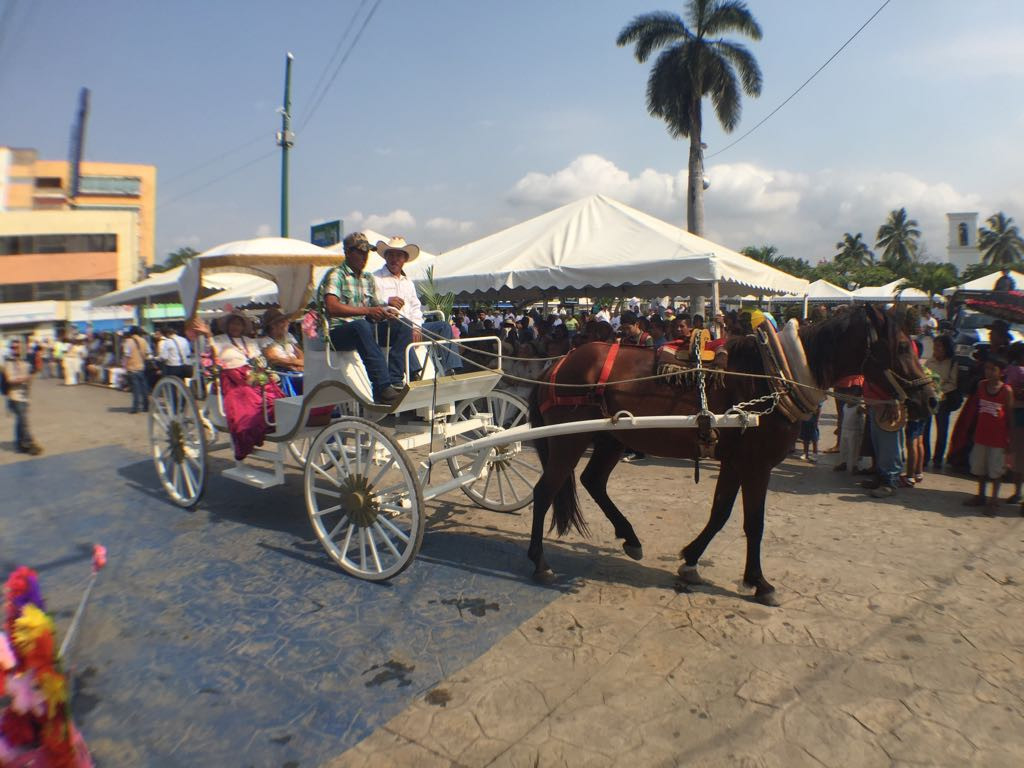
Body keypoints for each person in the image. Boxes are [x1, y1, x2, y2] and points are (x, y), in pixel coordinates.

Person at [317, 232, 403, 405]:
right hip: (336, 333)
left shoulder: (368, 278)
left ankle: (397, 380)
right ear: (348, 252)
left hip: (363, 330)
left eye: (367, 252)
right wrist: (368, 311)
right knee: (361, 325)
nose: (365, 256)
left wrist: (387, 311)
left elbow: (375, 305)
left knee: (402, 326)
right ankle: (382, 388)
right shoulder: (336, 275)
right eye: (361, 252)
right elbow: (332, 307)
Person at [192, 310, 286, 460]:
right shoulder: (218, 340)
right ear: (227, 326)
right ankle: (250, 430)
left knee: (274, 394)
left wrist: (259, 372)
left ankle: (274, 422)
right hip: (231, 376)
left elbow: (258, 360)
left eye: (239, 324)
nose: (235, 327)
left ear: (243, 327)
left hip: (253, 373)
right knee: (246, 396)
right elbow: (212, 358)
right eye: (233, 323)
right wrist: (208, 335)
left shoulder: (249, 341)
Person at [964, 357, 1013, 512]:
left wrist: (1009, 439)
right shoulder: (981, 385)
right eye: (987, 368)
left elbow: (1009, 416)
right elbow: (977, 410)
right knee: (980, 467)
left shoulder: (1006, 390)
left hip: (998, 438)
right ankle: (981, 495)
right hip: (981, 435)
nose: (989, 372)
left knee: (996, 470)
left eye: (993, 369)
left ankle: (994, 500)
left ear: (1001, 372)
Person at [3, 340, 42, 455]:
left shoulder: (24, 361)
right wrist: (23, 379)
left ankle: (19, 443)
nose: (15, 350)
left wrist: (31, 374)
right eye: (13, 348)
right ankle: (29, 444)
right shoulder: (8, 363)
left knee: (20, 421)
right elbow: (10, 380)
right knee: (23, 420)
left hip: (24, 396)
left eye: (17, 347)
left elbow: (33, 373)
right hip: (14, 396)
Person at [926, 334, 959, 469]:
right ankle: (925, 456)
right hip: (929, 398)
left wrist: (940, 391)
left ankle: (938, 459)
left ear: (946, 348)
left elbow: (953, 383)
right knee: (925, 428)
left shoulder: (952, 363)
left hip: (943, 400)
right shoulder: (930, 362)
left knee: (942, 430)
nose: (936, 349)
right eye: (935, 346)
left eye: (939, 346)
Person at [122, 327, 151, 413]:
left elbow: (127, 355)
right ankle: (146, 406)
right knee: (144, 388)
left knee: (136, 389)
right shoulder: (144, 341)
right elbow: (148, 353)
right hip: (141, 367)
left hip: (132, 368)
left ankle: (135, 408)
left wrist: (125, 367)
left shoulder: (128, 342)